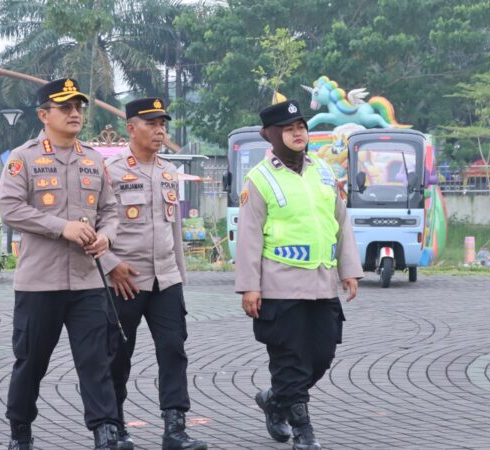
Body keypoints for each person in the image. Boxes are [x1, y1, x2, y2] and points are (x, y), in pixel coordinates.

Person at [0, 78, 120, 450]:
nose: (74, 113)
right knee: (31, 362)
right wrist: (60, 227)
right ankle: (20, 429)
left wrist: (107, 237)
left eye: (78, 107)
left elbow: (111, 211)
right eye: (65, 107)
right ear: (43, 114)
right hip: (40, 283)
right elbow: (10, 209)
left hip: (87, 283)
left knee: (95, 362)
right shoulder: (24, 157)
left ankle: (105, 431)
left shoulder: (94, 159)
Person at [235, 100, 363, 450]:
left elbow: (341, 222)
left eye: (301, 127)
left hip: (322, 285)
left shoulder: (324, 171)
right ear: (271, 135)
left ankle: (275, 399)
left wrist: (349, 269)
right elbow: (249, 236)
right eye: (290, 129)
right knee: (289, 359)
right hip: (279, 286)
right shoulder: (259, 178)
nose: (298, 133)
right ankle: (303, 431)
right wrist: (249, 287)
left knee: (321, 355)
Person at [100, 98, 207, 450]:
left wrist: (180, 275)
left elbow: (173, 228)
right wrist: (109, 265)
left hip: (166, 279)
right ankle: (114, 427)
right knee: (118, 355)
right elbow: (96, 226)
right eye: (152, 124)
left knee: (174, 350)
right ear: (131, 128)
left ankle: (175, 429)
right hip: (125, 280)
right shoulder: (111, 171)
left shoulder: (168, 172)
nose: (160, 131)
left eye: (163, 124)